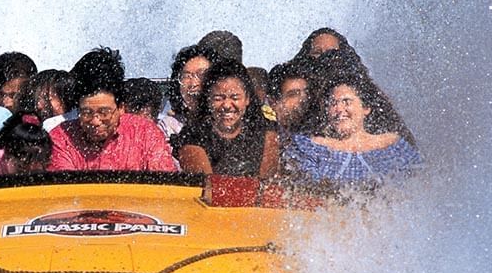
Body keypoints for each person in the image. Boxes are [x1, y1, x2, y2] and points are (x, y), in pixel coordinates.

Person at [48, 48, 176, 172]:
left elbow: (165, 187)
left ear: (121, 108)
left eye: (104, 113)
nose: (95, 121)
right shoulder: (61, 138)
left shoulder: (146, 133)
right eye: (86, 113)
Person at [281, 73, 421, 185]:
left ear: (365, 108)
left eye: (346, 102)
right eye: (332, 103)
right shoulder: (309, 146)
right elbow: (303, 190)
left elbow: (421, 185)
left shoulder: (395, 146)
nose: (339, 109)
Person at [177, 59, 280, 177]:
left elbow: (266, 185)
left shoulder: (267, 131)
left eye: (235, 97)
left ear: (247, 99)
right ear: (208, 100)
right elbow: (209, 188)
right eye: (218, 98)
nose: (226, 105)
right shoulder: (193, 136)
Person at [158, 44, 220, 139]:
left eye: (201, 75)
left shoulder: (228, 123)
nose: (193, 83)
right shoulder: (168, 127)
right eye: (186, 76)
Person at [267, 60, 313, 134]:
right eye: (293, 94)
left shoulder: (316, 135)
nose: (303, 99)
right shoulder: (266, 138)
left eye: (307, 92)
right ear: (273, 102)